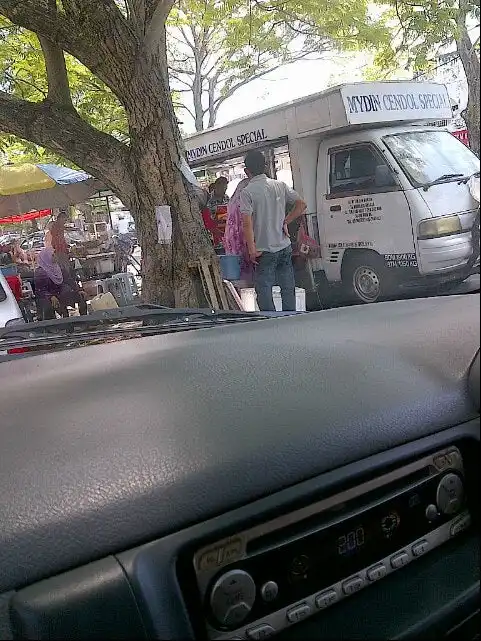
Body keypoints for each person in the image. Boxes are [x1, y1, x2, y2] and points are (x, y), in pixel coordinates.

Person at [239, 150, 307, 311]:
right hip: (284, 246)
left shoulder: (247, 192)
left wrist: (252, 250)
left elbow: (247, 224)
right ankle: (290, 318)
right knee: (287, 288)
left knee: (264, 291)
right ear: (265, 166)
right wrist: (286, 221)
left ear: (246, 171)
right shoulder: (279, 185)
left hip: (264, 250)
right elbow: (301, 205)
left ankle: (270, 323)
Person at [34, 246, 87, 320]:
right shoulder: (40, 272)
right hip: (47, 297)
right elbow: (40, 290)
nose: (55, 256)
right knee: (49, 304)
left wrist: (79, 290)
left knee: (81, 297)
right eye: (53, 255)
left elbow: (69, 280)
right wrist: (51, 296)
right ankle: (55, 325)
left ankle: (84, 320)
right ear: (46, 257)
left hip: (61, 294)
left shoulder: (59, 268)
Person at [223, 177, 253, 282]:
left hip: (232, 244)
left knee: (238, 275)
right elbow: (246, 225)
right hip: (242, 241)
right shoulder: (245, 203)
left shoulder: (232, 201)